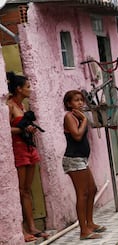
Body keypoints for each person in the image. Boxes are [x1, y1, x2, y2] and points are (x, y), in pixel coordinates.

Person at [7, 71, 49, 242]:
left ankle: (31, 226)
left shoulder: (22, 106)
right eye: (27, 87)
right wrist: (22, 129)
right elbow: (5, 129)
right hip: (18, 150)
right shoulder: (9, 106)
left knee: (27, 189)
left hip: (28, 147)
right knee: (20, 190)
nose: (30, 90)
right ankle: (21, 229)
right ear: (19, 89)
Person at [63, 90, 106, 240]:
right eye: (76, 100)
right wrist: (85, 121)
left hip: (81, 159)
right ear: (69, 104)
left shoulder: (78, 116)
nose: (80, 103)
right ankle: (83, 231)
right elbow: (76, 135)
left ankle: (90, 223)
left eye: (81, 100)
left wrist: (84, 119)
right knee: (82, 194)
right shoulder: (69, 116)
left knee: (92, 189)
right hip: (73, 159)